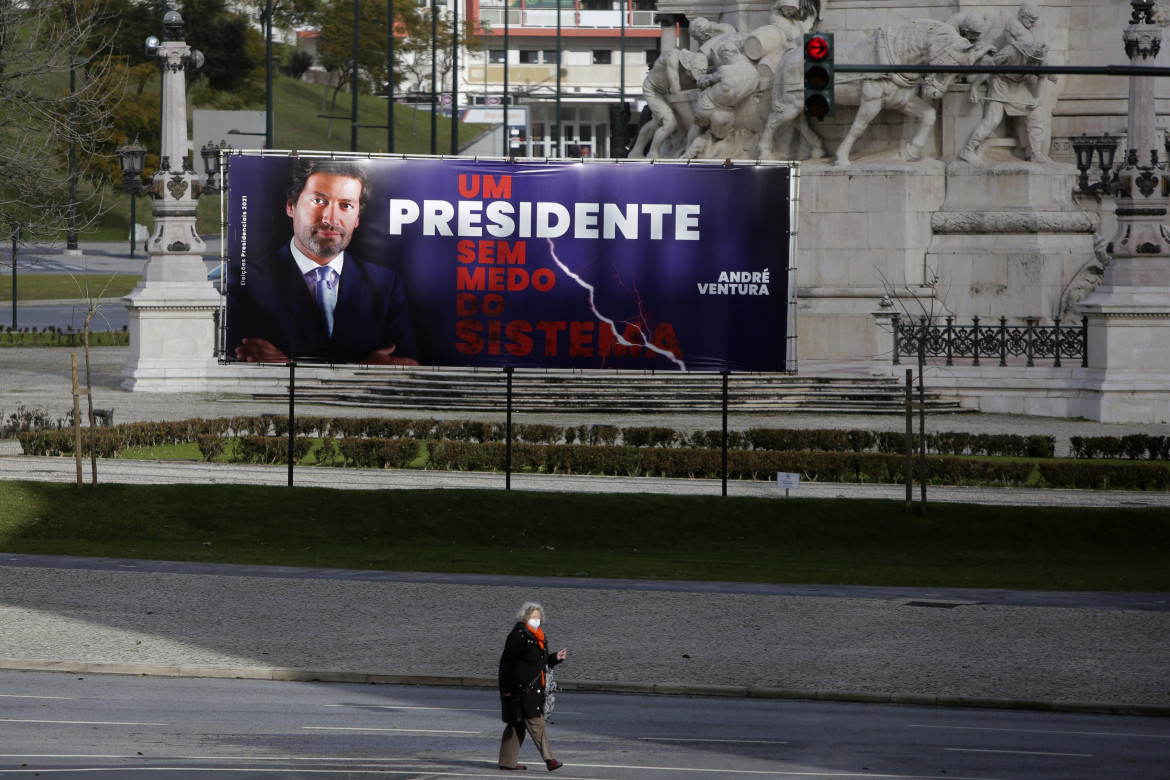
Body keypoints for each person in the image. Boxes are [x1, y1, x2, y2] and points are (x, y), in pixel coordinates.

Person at [226, 158, 419, 365]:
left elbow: (408, 364)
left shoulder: (386, 285)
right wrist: (361, 368)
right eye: (319, 201)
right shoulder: (242, 280)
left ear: (357, 219)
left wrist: (290, 363)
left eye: (345, 205)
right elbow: (245, 360)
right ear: (291, 206)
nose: (330, 218)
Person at [498, 602, 567, 772]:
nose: (536, 620)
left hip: (535, 687)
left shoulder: (540, 636)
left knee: (516, 725)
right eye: (533, 617)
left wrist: (555, 658)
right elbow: (506, 663)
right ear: (524, 618)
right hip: (521, 689)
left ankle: (507, 762)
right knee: (537, 723)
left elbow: (540, 663)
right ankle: (550, 759)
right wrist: (505, 688)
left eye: (538, 617)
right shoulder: (518, 636)